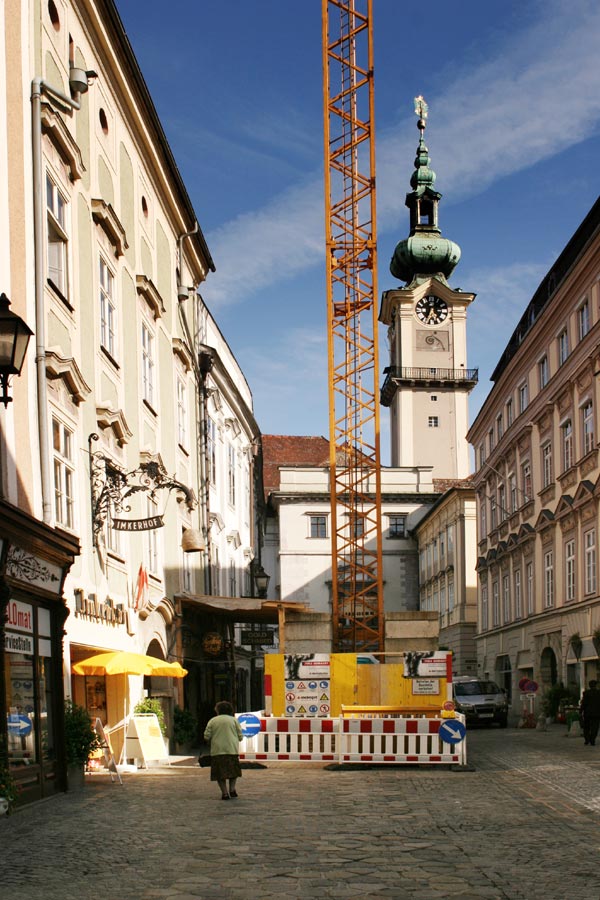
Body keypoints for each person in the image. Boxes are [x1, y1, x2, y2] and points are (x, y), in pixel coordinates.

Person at [203, 701, 243, 799]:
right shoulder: (234, 720)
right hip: (231, 750)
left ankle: (224, 793)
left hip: (217, 751)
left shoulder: (212, 721)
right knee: (233, 772)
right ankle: (232, 789)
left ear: (217, 710)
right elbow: (240, 736)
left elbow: (206, 736)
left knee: (220, 774)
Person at [579, 680, 600, 746]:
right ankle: (592, 739)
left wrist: (580, 711)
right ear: (595, 685)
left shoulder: (586, 693)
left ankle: (587, 739)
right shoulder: (599, 693)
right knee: (595, 727)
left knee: (586, 727)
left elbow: (583, 703)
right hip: (597, 713)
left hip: (587, 713)